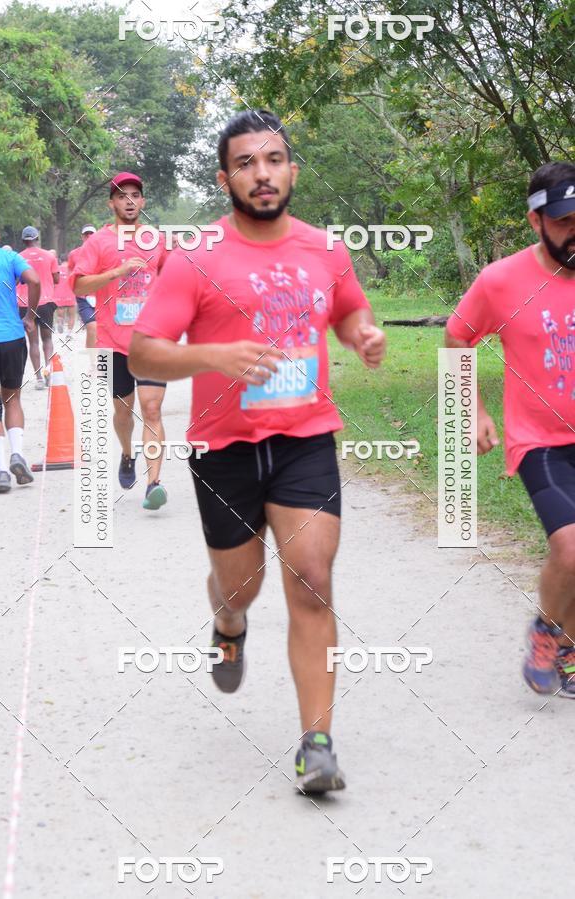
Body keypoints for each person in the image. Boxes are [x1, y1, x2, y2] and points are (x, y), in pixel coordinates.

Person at [129, 109, 386, 792]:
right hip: (225, 448)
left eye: (272, 159)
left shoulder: (324, 249)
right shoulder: (196, 257)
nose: (262, 173)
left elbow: (348, 306)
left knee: (312, 577)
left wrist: (362, 333)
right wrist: (217, 354)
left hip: (304, 438)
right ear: (225, 178)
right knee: (243, 585)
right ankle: (227, 621)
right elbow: (143, 348)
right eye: (246, 163)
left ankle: (317, 743)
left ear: (291, 169)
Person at [445, 160, 575, 698]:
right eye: (565, 220)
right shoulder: (501, 281)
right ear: (535, 221)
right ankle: (548, 633)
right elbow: (457, 342)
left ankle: (566, 642)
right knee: (571, 549)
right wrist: (473, 411)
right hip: (539, 440)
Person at [70, 173, 170, 510]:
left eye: (135, 195)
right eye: (122, 196)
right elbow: (79, 287)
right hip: (114, 342)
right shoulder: (97, 243)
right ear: (111, 203)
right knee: (123, 413)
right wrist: (115, 272)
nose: (129, 200)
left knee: (152, 409)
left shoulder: (157, 240)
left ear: (143, 202)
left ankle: (153, 482)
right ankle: (127, 454)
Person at [0, 216, 41, 492]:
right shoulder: (10, 257)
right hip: (12, 337)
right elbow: (34, 280)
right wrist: (30, 315)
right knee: (13, 398)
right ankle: (17, 454)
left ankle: (1, 471)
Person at [16, 226, 59, 389]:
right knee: (47, 339)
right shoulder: (49, 256)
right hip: (46, 302)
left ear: (23, 240)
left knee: (32, 342)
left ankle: (39, 379)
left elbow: (14, 281)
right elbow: (56, 279)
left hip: (25, 304)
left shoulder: (17, 258)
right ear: (37, 238)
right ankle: (49, 370)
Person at [68, 225, 97, 349]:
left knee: (103, 332)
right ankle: (92, 363)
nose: (89, 236)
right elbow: (71, 275)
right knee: (92, 327)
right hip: (83, 297)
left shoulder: (104, 251)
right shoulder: (74, 254)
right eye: (86, 234)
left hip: (102, 295)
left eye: (92, 233)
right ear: (82, 237)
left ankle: (104, 366)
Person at [54, 253, 76, 337]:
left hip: (59, 294)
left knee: (60, 312)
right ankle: (69, 333)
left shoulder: (56, 269)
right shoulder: (73, 270)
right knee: (71, 316)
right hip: (70, 293)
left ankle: (60, 320)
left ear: (60, 260)